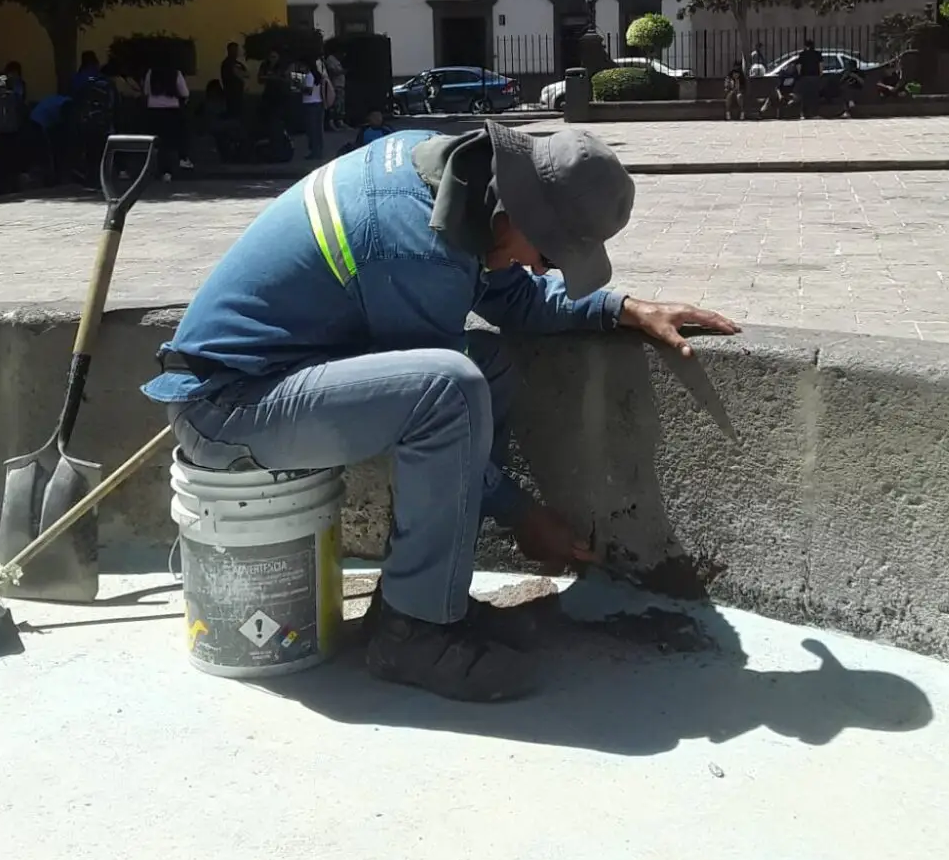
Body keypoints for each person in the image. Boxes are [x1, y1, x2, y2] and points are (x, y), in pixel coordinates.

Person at [142, 123, 740, 703]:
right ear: (521, 214)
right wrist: (521, 513)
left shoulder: (452, 184)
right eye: (550, 254)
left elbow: (517, 300)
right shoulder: (413, 246)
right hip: (230, 409)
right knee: (451, 388)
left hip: (271, 379)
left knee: (486, 367)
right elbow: (439, 410)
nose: (543, 268)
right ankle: (413, 635)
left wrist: (623, 308)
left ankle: (419, 600)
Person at [144, 64, 194, 179]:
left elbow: (147, 91)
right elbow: (185, 93)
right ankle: (178, 162)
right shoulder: (176, 73)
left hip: (154, 110)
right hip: (171, 110)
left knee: (157, 142)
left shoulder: (151, 72)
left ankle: (161, 169)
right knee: (170, 140)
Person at [299, 54, 333, 163]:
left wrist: (299, 87)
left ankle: (314, 151)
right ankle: (318, 150)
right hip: (318, 103)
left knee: (312, 129)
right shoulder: (317, 75)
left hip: (310, 104)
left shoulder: (309, 76)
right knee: (318, 129)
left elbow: (308, 91)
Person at [796, 39, 823, 119]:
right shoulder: (817, 54)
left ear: (805, 46)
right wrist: (820, 73)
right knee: (814, 95)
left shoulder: (802, 54)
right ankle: (815, 113)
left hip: (805, 76)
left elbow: (798, 65)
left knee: (805, 96)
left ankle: (804, 113)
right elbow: (820, 65)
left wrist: (800, 74)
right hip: (815, 76)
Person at [220, 42, 248, 119]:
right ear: (229, 51)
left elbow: (247, 74)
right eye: (233, 50)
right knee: (232, 113)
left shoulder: (237, 63)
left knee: (237, 113)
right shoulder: (226, 63)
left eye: (236, 50)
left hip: (238, 92)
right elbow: (231, 75)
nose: (235, 52)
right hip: (230, 92)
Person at [325, 49, 346, 129]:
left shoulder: (337, 61)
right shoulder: (331, 59)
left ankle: (340, 121)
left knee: (340, 105)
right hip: (335, 86)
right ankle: (332, 122)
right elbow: (332, 72)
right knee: (335, 105)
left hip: (340, 86)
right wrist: (342, 72)